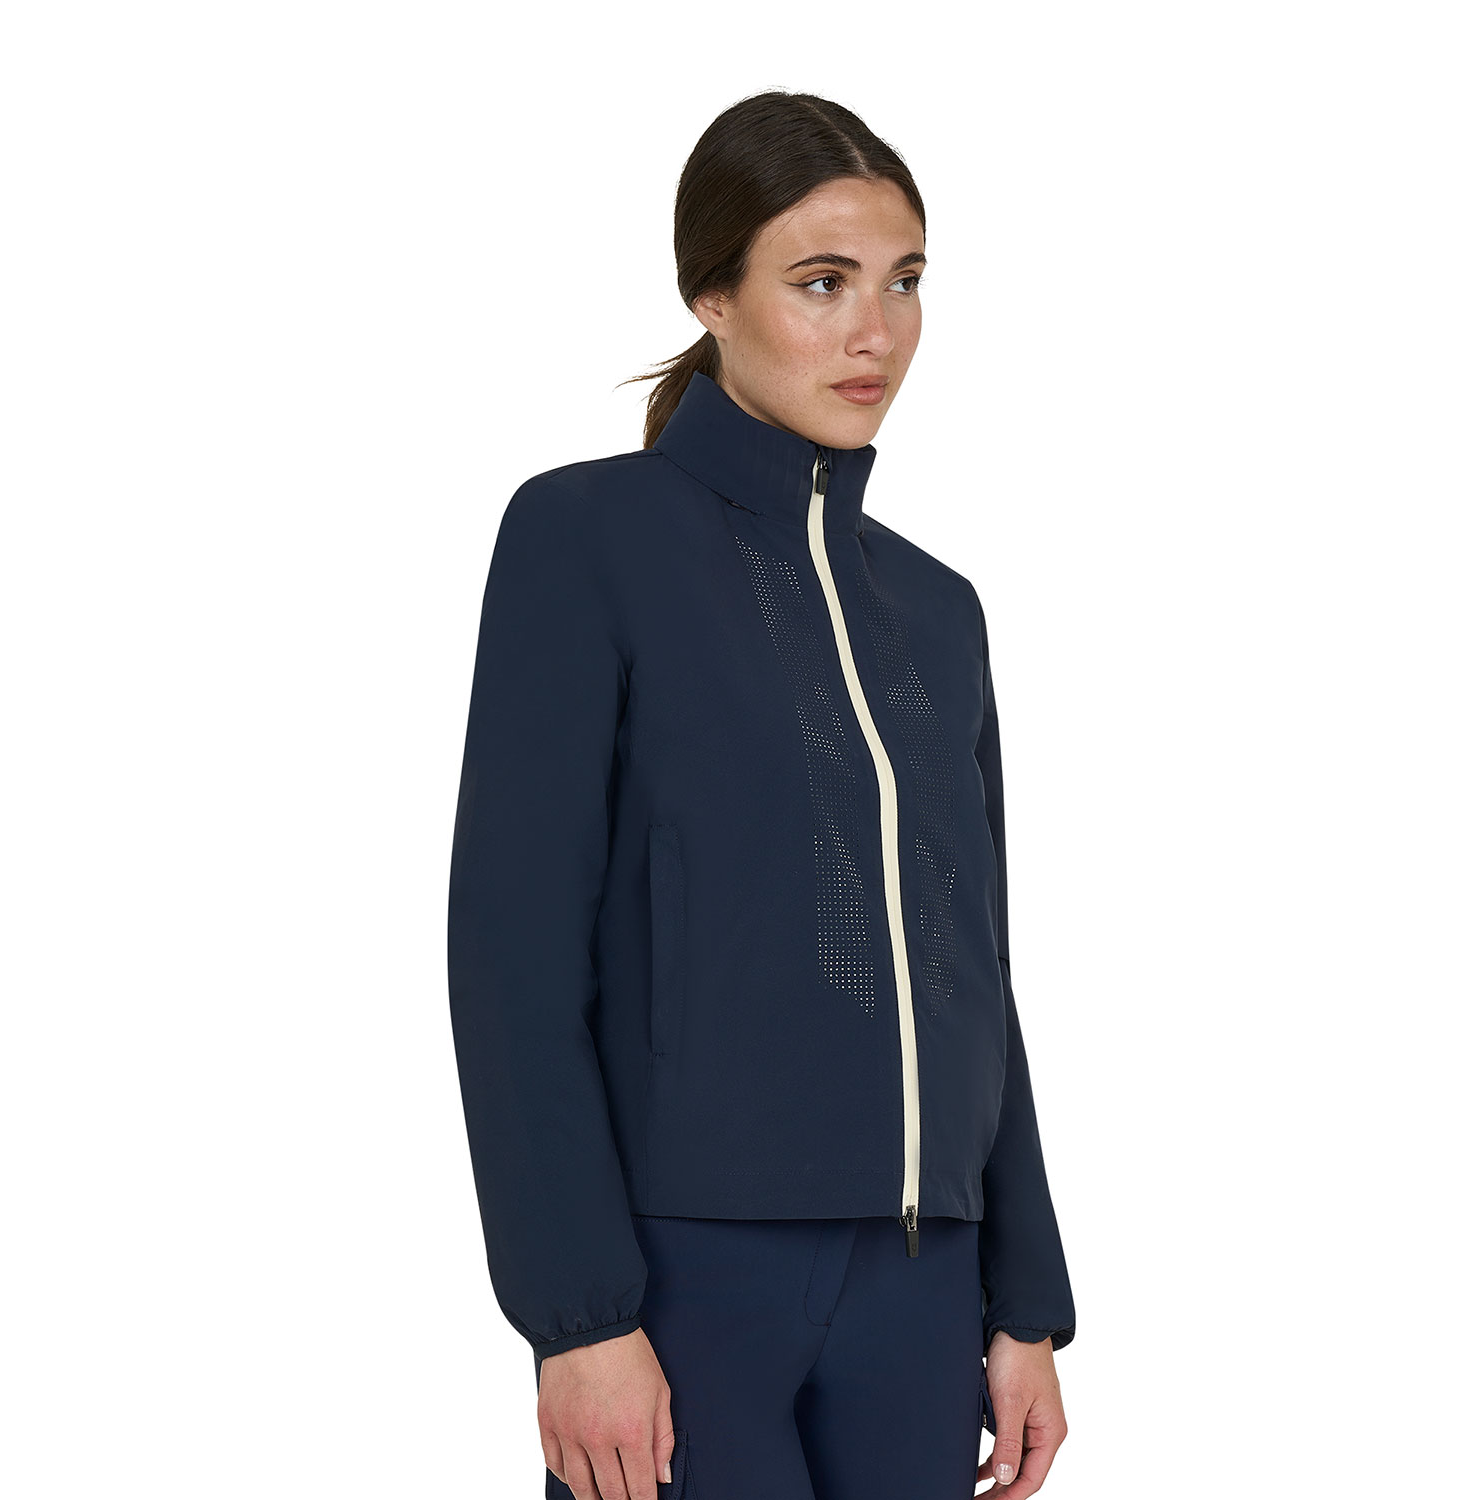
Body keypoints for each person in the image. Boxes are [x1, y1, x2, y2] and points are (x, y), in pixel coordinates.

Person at [447, 90, 1075, 1500]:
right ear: (713, 294)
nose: (876, 332)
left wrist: (1026, 1301)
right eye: (822, 282)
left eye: (904, 281)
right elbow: (512, 958)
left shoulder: (940, 611)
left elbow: (977, 973)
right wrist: (578, 1314)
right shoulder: (586, 538)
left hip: (924, 1285)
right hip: (687, 1279)